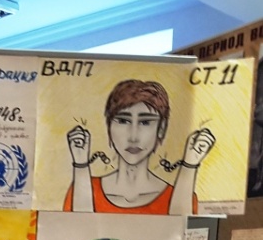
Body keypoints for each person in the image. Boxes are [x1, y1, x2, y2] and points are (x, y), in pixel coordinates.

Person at [64, 79, 214, 215]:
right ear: (109, 126)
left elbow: (180, 232)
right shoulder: (82, 188)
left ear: (161, 129)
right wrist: (80, 165)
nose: (133, 137)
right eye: (123, 121)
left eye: (145, 122)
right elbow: (77, 233)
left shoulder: (182, 195)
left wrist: (190, 165)